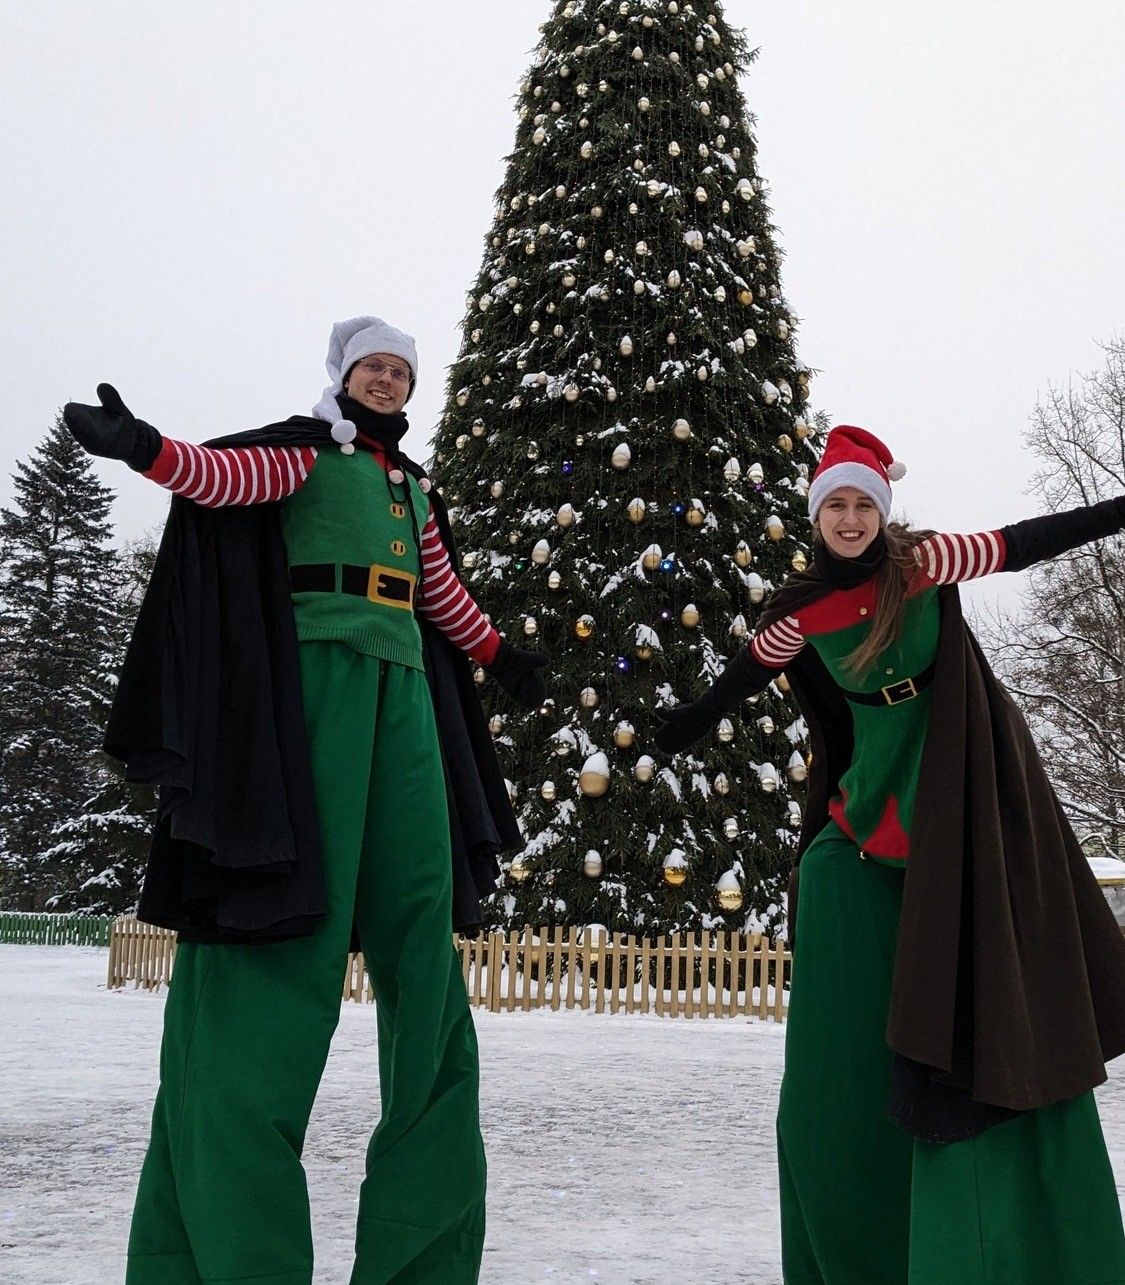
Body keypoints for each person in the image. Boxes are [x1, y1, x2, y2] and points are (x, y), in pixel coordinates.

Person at [63, 316, 547, 1285]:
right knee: (291, 912)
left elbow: (441, 593)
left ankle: (420, 1257)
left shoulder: (413, 487)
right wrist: (143, 446)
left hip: (404, 693)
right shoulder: (306, 454)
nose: (385, 380)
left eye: (399, 370)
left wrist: (501, 655)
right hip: (315, 683)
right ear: (344, 375)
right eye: (372, 366)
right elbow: (219, 478)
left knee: (422, 920)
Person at [655, 424, 1125, 1284]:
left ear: (881, 511)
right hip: (874, 772)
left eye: (862, 504)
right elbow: (745, 673)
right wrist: (690, 719)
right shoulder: (801, 612)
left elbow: (1028, 540)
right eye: (834, 504)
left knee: (959, 898)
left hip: (951, 762)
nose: (848, 518)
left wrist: (1119, 511)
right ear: (815, 516)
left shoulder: (924, 565)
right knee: (830, 866)